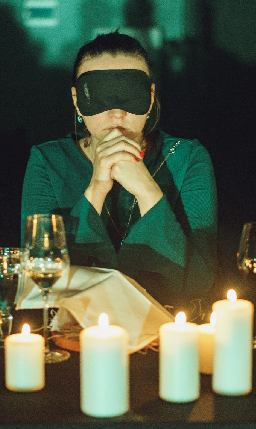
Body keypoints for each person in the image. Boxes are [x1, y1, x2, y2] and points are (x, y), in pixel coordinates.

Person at [21, 32, 217, 308]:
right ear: (77, 100)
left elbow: (201, 283)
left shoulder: (187, 158)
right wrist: (96, 189)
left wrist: (148, 191)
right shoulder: (48, 161)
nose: (116, 113)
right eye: (98, 95)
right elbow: (37, 283)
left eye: (130, 94)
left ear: (150, 97)